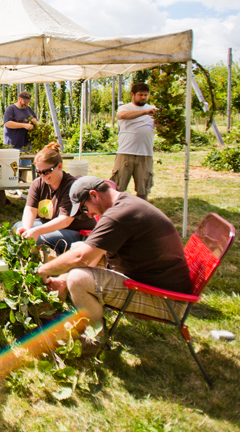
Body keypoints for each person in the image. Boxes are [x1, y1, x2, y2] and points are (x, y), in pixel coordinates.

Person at [36, 176, 192, 354]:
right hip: (154, 282)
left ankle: (95, 338)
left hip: (167, 300)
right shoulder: (123, 204)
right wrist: (62, 279)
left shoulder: (120, 215)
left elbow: (81, 258)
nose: (87, 215)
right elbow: (93, 254)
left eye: (85, 208)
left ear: (94, 195)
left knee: (78, 279)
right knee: (80, 253)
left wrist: (43, 270)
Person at [15, 142, 97, 253]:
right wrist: (27, 229)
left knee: (41, 239)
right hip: (54, 225)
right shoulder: (38, 184)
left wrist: (36, 232)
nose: (43, 176)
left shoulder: (72, 187)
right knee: (18, 227)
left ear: (59, 166)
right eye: (39, 172)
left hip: (76, 230)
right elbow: (30, 209)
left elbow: (65, 221)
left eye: (47, 171)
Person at [113, 82, 157, 200]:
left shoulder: (153, 109)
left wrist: (160, 123)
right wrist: (145, 112)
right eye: (140, 95)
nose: (143, 97)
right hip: (126, 152)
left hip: (145, 154)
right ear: (132, 94)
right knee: (118, 187)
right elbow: (122, 115)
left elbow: (161, 127)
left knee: (143, 189)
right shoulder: (125, 108)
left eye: (146, 95)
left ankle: (141, 214)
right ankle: (117, 212)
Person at [3, 91, 37, 189]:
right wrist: (24, 125)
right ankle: (12, 187)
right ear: (19, 98)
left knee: (25, 166)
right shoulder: (11, 109)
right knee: (13, 167)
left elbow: (35, 120)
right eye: (24, 101)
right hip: (13, 143)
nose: (26, 104)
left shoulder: (29, 109)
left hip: (26, 143)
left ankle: (23, 185)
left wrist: (35, 122)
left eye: (28, 102)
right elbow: (7, 123)